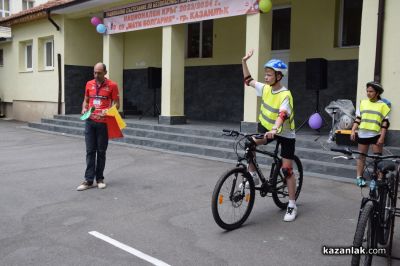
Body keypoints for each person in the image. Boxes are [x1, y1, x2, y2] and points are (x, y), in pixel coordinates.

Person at [242, 50, 297, 222]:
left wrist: (275, 129)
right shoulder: (265, 89)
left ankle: (292, 204)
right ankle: (253, 175)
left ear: (279, 76)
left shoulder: (285, 94)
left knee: (287, 170)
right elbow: (248, 80)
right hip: (269, 131)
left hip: (285, 134)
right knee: (249, 143)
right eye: (265, 74)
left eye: (269, 75)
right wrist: (243, 62)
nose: (266, 77)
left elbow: (282, 114)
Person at [77, 62, 120, 191]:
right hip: (90, 122)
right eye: (94, 72)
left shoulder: (112, 85)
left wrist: (109, 111)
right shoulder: (89, 84)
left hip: (103, 123)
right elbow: (86, 99)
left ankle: (100, 178)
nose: (96, 75)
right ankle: (88, 180)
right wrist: (84, 108)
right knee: (90, 151)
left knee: (101, 152)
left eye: (99, 73)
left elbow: (117, 104)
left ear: (105, 73)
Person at [350, 81, 390, 187]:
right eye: (367, 91)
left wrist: (382, 137)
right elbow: (358, 118)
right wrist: (353, 130)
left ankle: (378, 179)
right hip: (363, 134)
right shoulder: (363, 103)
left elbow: (385, 123)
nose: (368, 93)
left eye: (371, 91)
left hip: (376, 135)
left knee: (377, 159)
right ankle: (359, 177)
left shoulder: (383, 105)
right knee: (361, 157)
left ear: (377, 93)